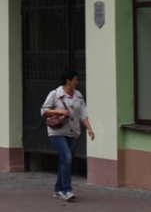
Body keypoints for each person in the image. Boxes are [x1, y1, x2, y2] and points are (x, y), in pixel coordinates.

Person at [41, 69, 95, 202]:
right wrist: (60, 111)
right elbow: (44, 110)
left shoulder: (78, 95)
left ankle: (58, 189)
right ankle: (67, 190)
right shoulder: (55, 94)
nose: (78, 82)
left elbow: (83, 114)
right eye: (75, 79)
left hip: (73, 131)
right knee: (67, 158)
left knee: (64, 160)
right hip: (57, 131)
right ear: (68, 81)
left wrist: (89, 129)